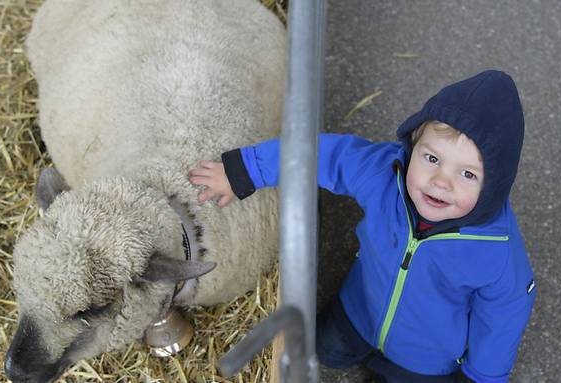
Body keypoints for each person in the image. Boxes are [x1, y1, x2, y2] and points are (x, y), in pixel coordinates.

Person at [188, 70, 536, 383]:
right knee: (325, 349)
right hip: (357, 312)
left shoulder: (498, 251)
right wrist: (246, 169)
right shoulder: (386, 172)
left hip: (425, 361)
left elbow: (502, 322)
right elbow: (327, 155)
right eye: (431, 158)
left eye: (467, 174)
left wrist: (481, 378)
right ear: (412, 146)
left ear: (493, 187)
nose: (440, 182)